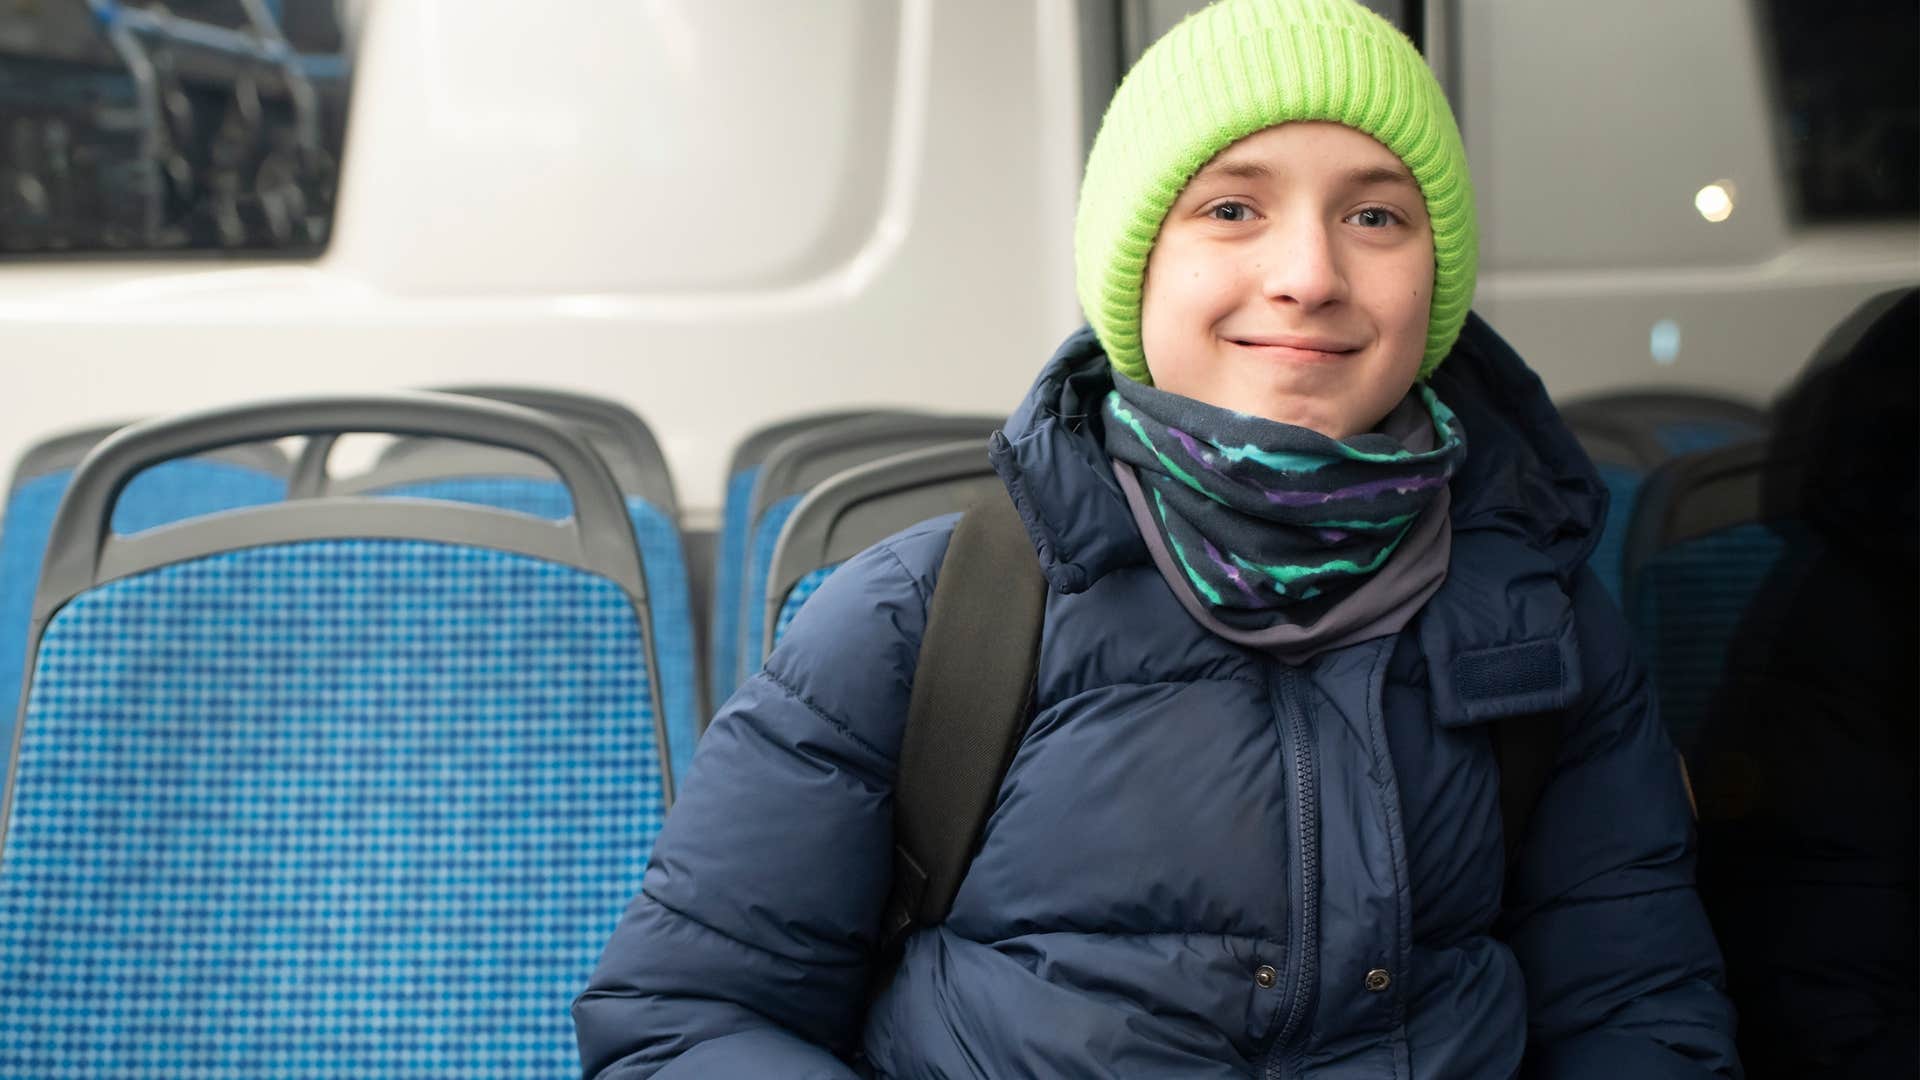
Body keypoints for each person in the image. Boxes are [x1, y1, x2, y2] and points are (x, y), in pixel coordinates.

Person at [573, 1, 1742, 1075]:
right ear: (1134, 271)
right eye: (1233, 209)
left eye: (1376, 215)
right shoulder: (929, 619)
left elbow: (1636, 1014)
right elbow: (685, 1023)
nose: (1309, 274)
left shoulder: (1539, 619)